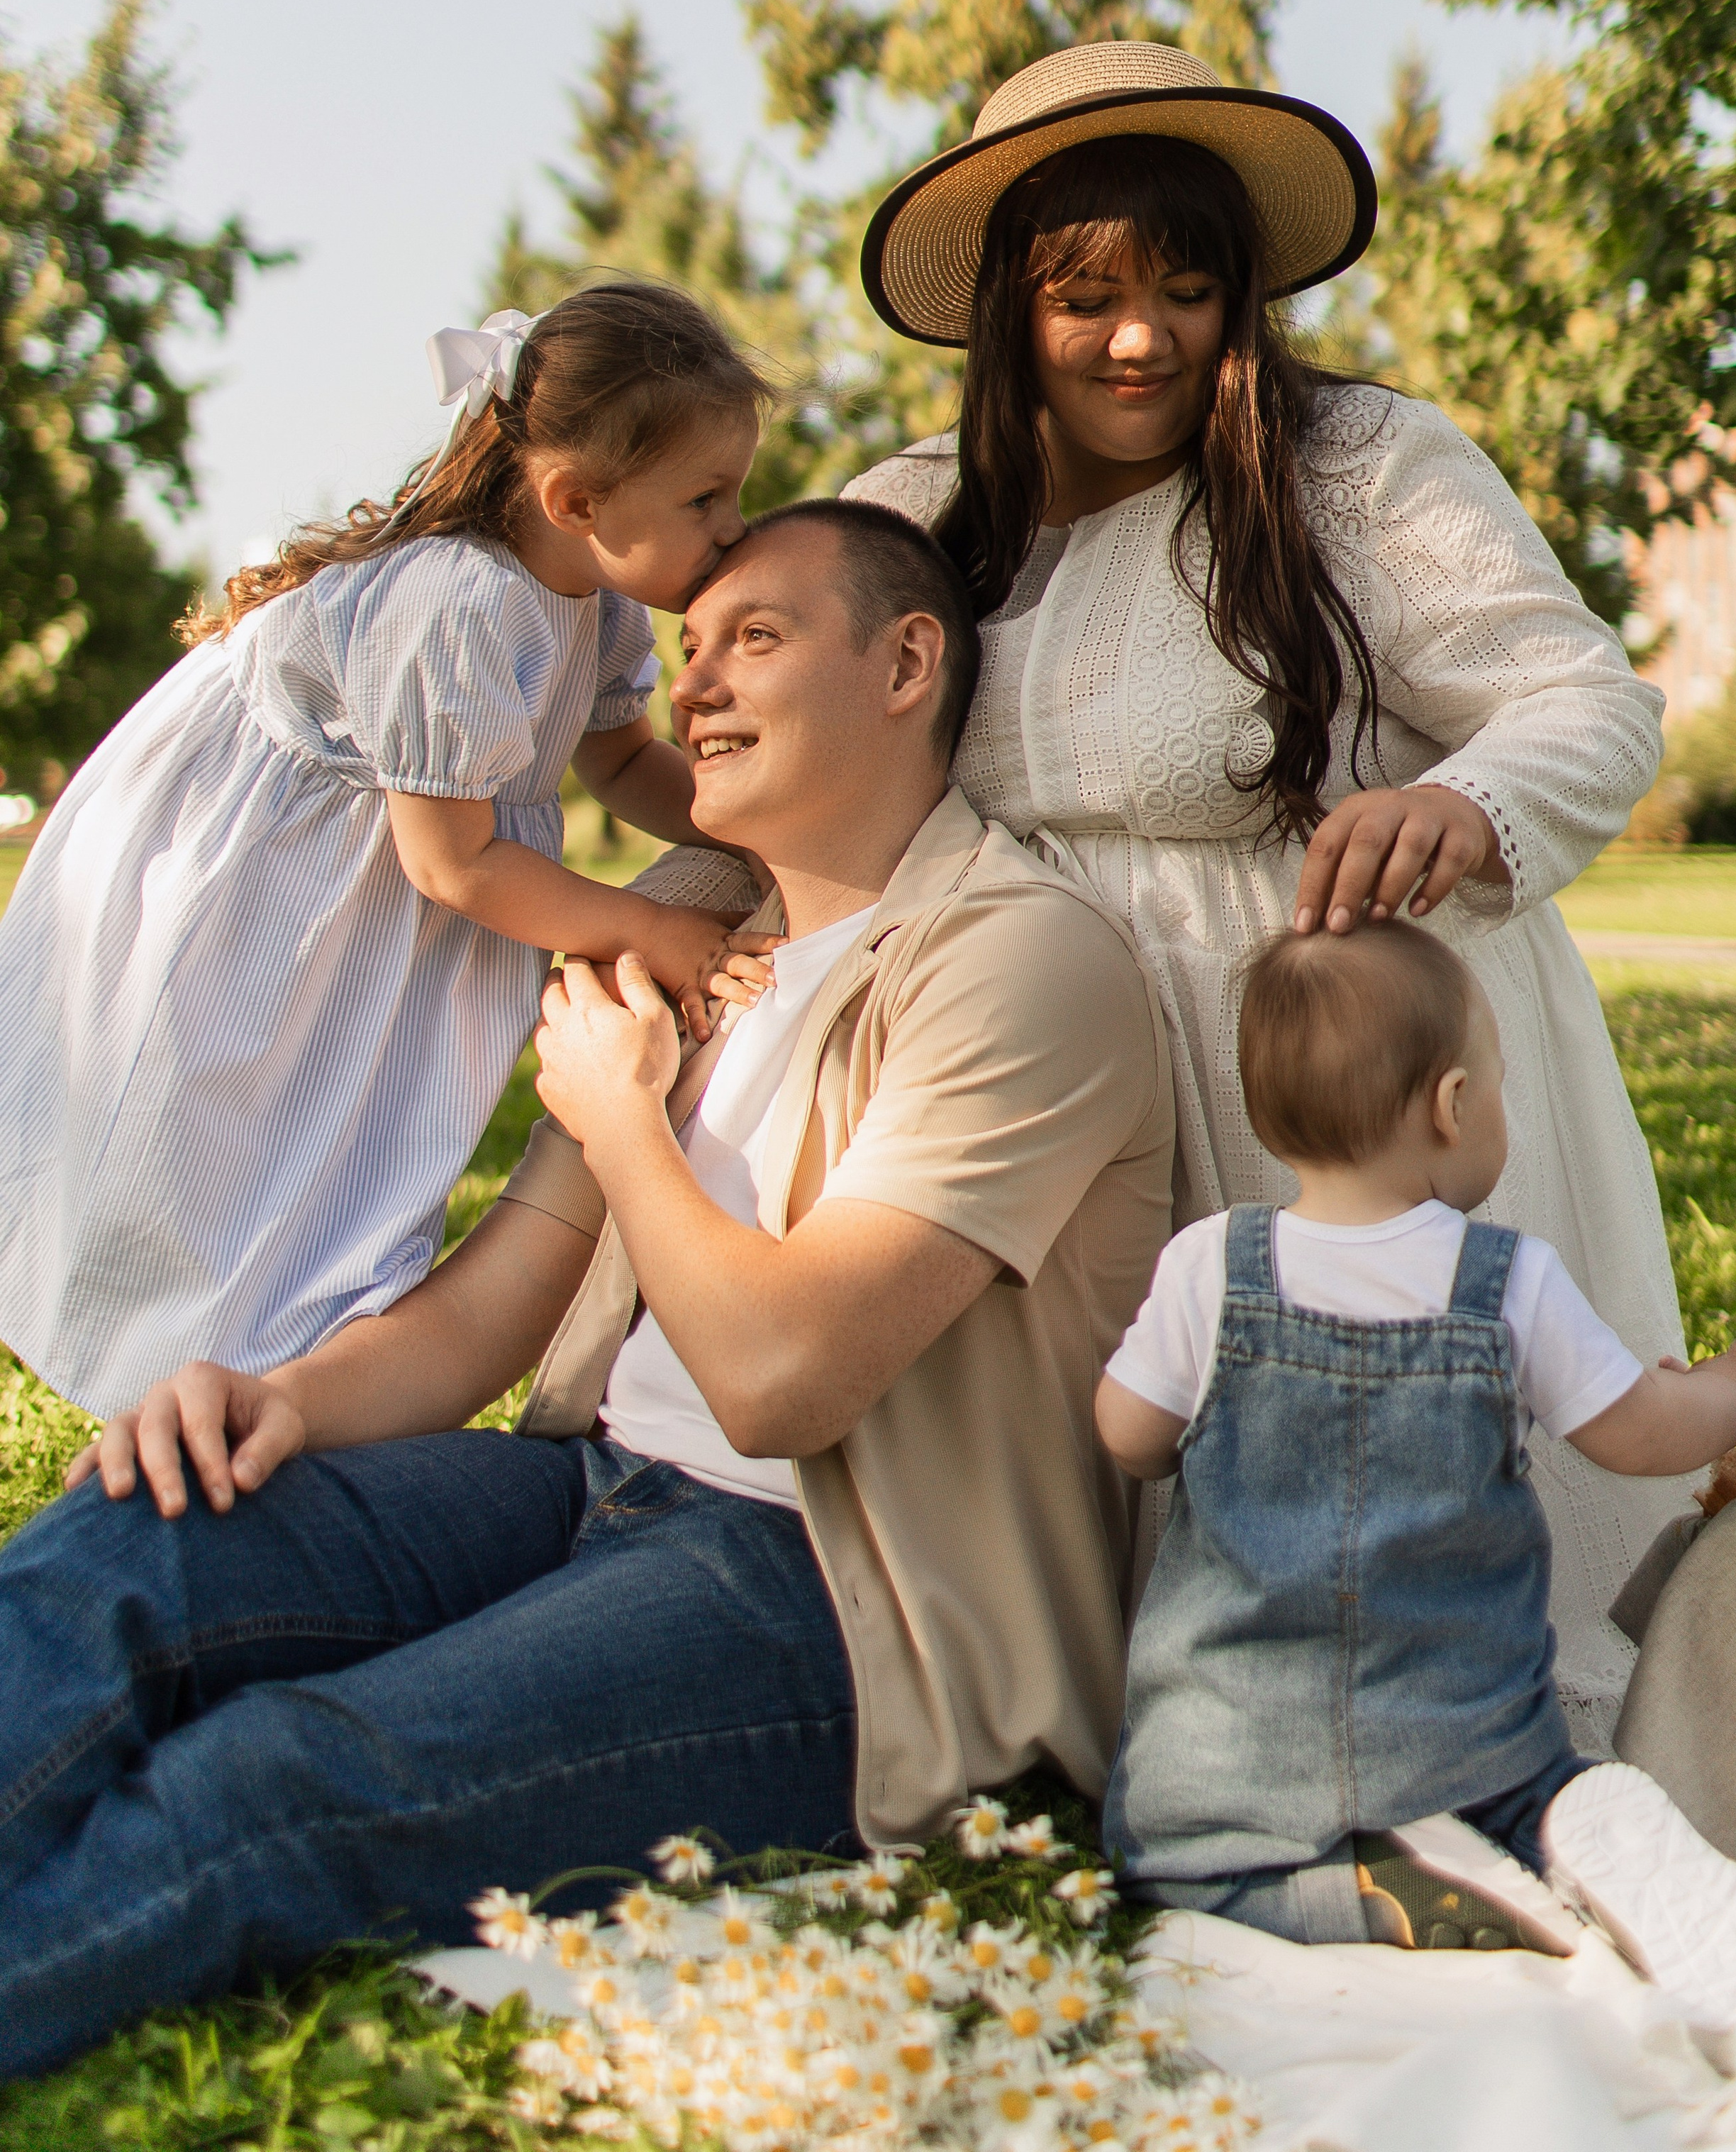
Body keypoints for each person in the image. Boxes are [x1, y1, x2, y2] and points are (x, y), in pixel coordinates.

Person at [0, 499, 1175, 2082]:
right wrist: (268, 1402)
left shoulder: (1019, 962)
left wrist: (626, 1119)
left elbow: (779, 1382)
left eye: (752, 639)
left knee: (278, 1784)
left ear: (907, 664)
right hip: (589, 1491)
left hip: (840, 1603)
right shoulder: (698, 945)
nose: (692, 688)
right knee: (139, 1548)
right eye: (689, 649)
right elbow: (484, 1320)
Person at [838, 38, 1681, 1746]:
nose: (1137, 337)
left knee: (1411, 1512)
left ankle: (1501, 1749)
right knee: (1139, 1475)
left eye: (1186, 287)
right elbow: (779, 745)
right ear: (1009, 307)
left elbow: (1585, 699)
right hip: (1054, 1084)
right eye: (1084, 296)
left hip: (1333, 1042)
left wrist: (1461, 800)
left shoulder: (1351, 462)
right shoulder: (916, 513)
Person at [0, 281, 777, 1419]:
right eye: (707, 496)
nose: (734, 526)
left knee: (340, 1147)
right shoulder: (458, 604)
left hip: (394, 892)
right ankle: (165, 1371)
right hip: (279, 883)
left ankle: (286, 1378)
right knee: (220, 1123)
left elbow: (617, 766)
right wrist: (650, 926)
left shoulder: (598, 607)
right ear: (573, 499)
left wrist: (754, 823)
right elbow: (455, 867)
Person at [1096, 918, 1736, 2034]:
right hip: (1459, 1738)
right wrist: (1735, 1394)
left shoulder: (1208, 1265)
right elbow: (1639, 1431)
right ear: (1451, 1106)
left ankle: (1334, 1895)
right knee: (1534, 1796)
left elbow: (1128, 1434)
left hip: (1219, 1762)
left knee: (1194, 1871)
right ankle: (1535, 1853)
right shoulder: (1504, 1280)